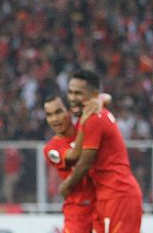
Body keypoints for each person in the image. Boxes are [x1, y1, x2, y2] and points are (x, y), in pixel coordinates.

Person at [59, 70, 143, 233]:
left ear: (93, 95)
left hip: (118, 194)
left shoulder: (94, 119)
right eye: (70, 92)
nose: (72, 98)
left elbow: (85, 163)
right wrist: (103, 98)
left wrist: (66, 185)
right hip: (103, 196)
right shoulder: (86, 117)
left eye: (78, 93)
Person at [43, 95, 102, 233]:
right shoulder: (51, 149)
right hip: (78, 212)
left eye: (58, 112)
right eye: (49, 115)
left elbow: (105, 97)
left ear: (69, 111)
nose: (55, 119)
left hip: (102, 205)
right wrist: (84, 125)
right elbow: (74, 155)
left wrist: (98, 101)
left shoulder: (86, 126)